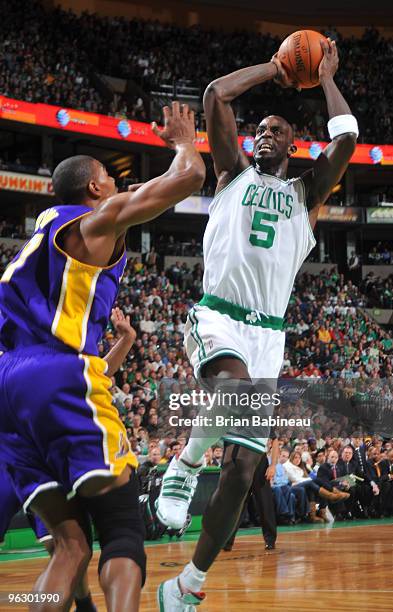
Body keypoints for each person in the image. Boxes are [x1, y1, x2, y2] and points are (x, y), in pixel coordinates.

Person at [157, 39, 357, 609]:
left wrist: (323, 78)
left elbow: (346, 139)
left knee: (245, 468)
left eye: (276, 131)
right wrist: (276, 67)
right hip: (219, 315)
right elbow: (216, 94)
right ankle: (187, 460)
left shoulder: (307, 194)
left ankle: (188, 586)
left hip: (269, 335)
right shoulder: (231, 174)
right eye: (259, 130)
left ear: (294, 146)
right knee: (233, 388)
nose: (264, 134)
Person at [0, 102, 205, 611]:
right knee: (122, 525)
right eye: (110, 181)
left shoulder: (41, 235)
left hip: (8, 388)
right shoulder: (95, 223)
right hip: (58, 373)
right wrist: (183, 142)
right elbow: (191, 177)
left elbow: (142, 193)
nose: (117, 187)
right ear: (93, 189)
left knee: (69, 545)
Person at [0, 307, 137, 612]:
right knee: (70, 547)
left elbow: (93, 374)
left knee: (62, 547)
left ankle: (85, 605)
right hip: (22, 441)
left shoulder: (23, 345)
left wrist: (125, 343)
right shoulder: (36, 342)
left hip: (17, 445)